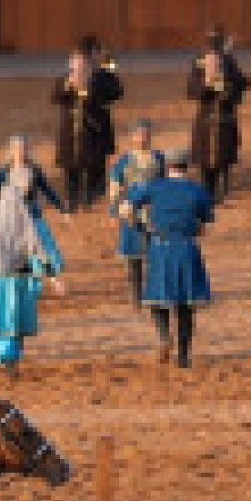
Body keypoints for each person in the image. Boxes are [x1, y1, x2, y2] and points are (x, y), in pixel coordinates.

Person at [0, 136, 67, 372]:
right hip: (5, 276)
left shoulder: (22, 221)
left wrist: (53, 278)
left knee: (11, 317)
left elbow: (37, 249)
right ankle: (7, 357)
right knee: (9, 317)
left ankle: (8, 356)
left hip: (16, 272)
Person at [121, 150, 214, 369]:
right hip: (186, 247)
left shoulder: (154, 186)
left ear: (168, 166)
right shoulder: (197, 190)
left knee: (157, 298)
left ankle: (164, 336)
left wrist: (139, 226)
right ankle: (183, 356)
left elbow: (126, 208)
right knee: (186, 304)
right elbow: (205, 223)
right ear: (187, 166)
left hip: (160, 246)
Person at [53, 36, 124, 211]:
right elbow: (56, 97)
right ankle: (72, 198)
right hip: (72, 131)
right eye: (75, 60)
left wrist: (91, 84)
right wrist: (68, 85)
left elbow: (116, 92)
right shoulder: (66, 78)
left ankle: (92, 200)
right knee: (71, 167)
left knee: (95, 166)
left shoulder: (103, 75)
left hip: (95, 130)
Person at [108, 120, 166, 307]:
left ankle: (154, 293)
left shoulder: (158, 159)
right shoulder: (124, 161)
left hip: (153, 211)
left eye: (145, 134)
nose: (142, 138)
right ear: (132, 137)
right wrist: (114, 212)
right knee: (134, 256)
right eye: (139, 134)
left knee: (154, 253)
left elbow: (166, 184)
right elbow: (115, 187)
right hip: (130, 212)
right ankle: (136, 295)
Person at [188, 42, 250, 204]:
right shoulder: (199, 75)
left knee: (224, 159)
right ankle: (208, 193)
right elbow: (192, 92)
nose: (212, 65)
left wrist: (225, 85)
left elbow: (241, 88)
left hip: (225, 123)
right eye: (209, 62)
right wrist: (207, 83)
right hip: (205, 124)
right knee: (205, 162)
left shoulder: (230, 73)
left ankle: (223, 191)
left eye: (216, 62)